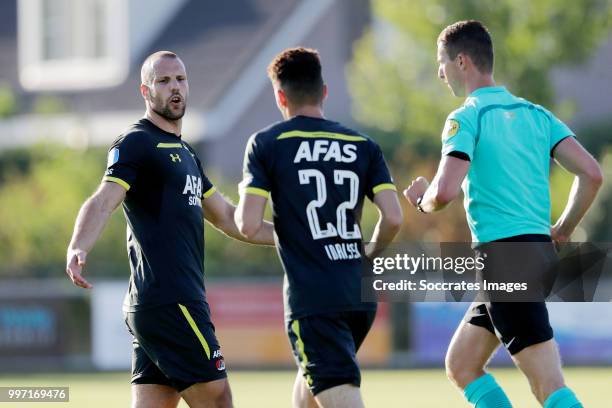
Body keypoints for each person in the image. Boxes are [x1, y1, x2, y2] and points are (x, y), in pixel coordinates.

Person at [404, 21, 602, 408]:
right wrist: (562, 228)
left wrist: (421, 198)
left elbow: (443, 193)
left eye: (441, 63)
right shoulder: (537, 115)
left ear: (461, 61)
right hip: (534, 256)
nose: (439, 73)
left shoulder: (466, 117)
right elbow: (591, 174)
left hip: (504, 261)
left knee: (548, 385)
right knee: (462, 364)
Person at [65, 51, 275, 408]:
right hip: (171, 300)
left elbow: (227, 217)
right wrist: (78, 245)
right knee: (219, 400)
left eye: (180, 79)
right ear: (146, 91)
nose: (174, 87)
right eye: (163, 81)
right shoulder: (136, 142)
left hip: (161, 304)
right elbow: (103, 201)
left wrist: (298, 239)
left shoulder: (187, 154)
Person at [234, 47, 403, 408]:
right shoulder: (362, 145)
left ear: (281, 96)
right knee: (310, 389)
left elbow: (247, 224)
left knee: (336, 391)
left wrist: (293, 235)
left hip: (314, 298)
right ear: (324, 91)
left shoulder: (268, 143)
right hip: (359, 294)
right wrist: (368, 251)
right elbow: (393, 218)